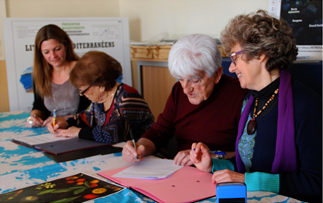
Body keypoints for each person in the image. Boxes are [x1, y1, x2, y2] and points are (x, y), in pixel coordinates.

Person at [190, 10, 322, 202]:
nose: (231, 68)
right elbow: (249, 165)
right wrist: (213, 166)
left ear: (260, 54)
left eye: (235, 58)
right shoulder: (250, 101)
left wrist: (247, 181)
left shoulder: (305, 104)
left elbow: (317, 182)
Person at [122, 34, 247, 166]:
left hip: (219, 174)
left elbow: (249, 156)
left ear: (217, 74)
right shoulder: (178, 91)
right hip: (180, 172)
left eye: (195, 80)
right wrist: (140, 147)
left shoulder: (240, 95)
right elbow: (159, 132)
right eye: (181, 79)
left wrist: (209, 156)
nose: (186, 90)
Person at [53, 51, 154, 144]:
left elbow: (112, 135)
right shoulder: (100, 99)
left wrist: (79, 132)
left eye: (83, 90)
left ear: (101, 85)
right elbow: (86, 118)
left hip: (142, 154)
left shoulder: (127, 97)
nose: (82, 94)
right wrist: (66, 123)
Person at [26, 24, 90, 129]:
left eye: (57, 49)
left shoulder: (81, 70)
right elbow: (39, 106)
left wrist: (66, 120)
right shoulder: (39, 74)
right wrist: (34, 116)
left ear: (66, 46)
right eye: (46, 52)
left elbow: (93, 111)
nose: (53, 56)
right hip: (52, 130)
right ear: (40, 53)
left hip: (78, 128)